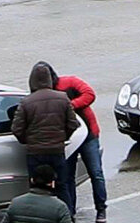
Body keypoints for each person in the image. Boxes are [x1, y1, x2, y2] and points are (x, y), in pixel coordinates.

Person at [12, 63, 79, 216]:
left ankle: (38, 217)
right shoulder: (62, 98)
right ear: (49, 79)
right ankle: (67, 217)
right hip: (57, 151)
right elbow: (73, 124)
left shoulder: (26, 102)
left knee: (36, 190)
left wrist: (27, 141)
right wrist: (63, 138)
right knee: (62, 187)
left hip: (35, 153)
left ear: (32, 81)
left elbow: (16, 129)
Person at [45, 64, 108, 223]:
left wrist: (70, 106)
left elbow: (90, 94)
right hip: (68, 138)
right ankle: (70, 212)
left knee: (96, 173)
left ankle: (101, 209)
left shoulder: (70, 82)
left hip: (88, 135)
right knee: (67, 177)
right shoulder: (46, 94)